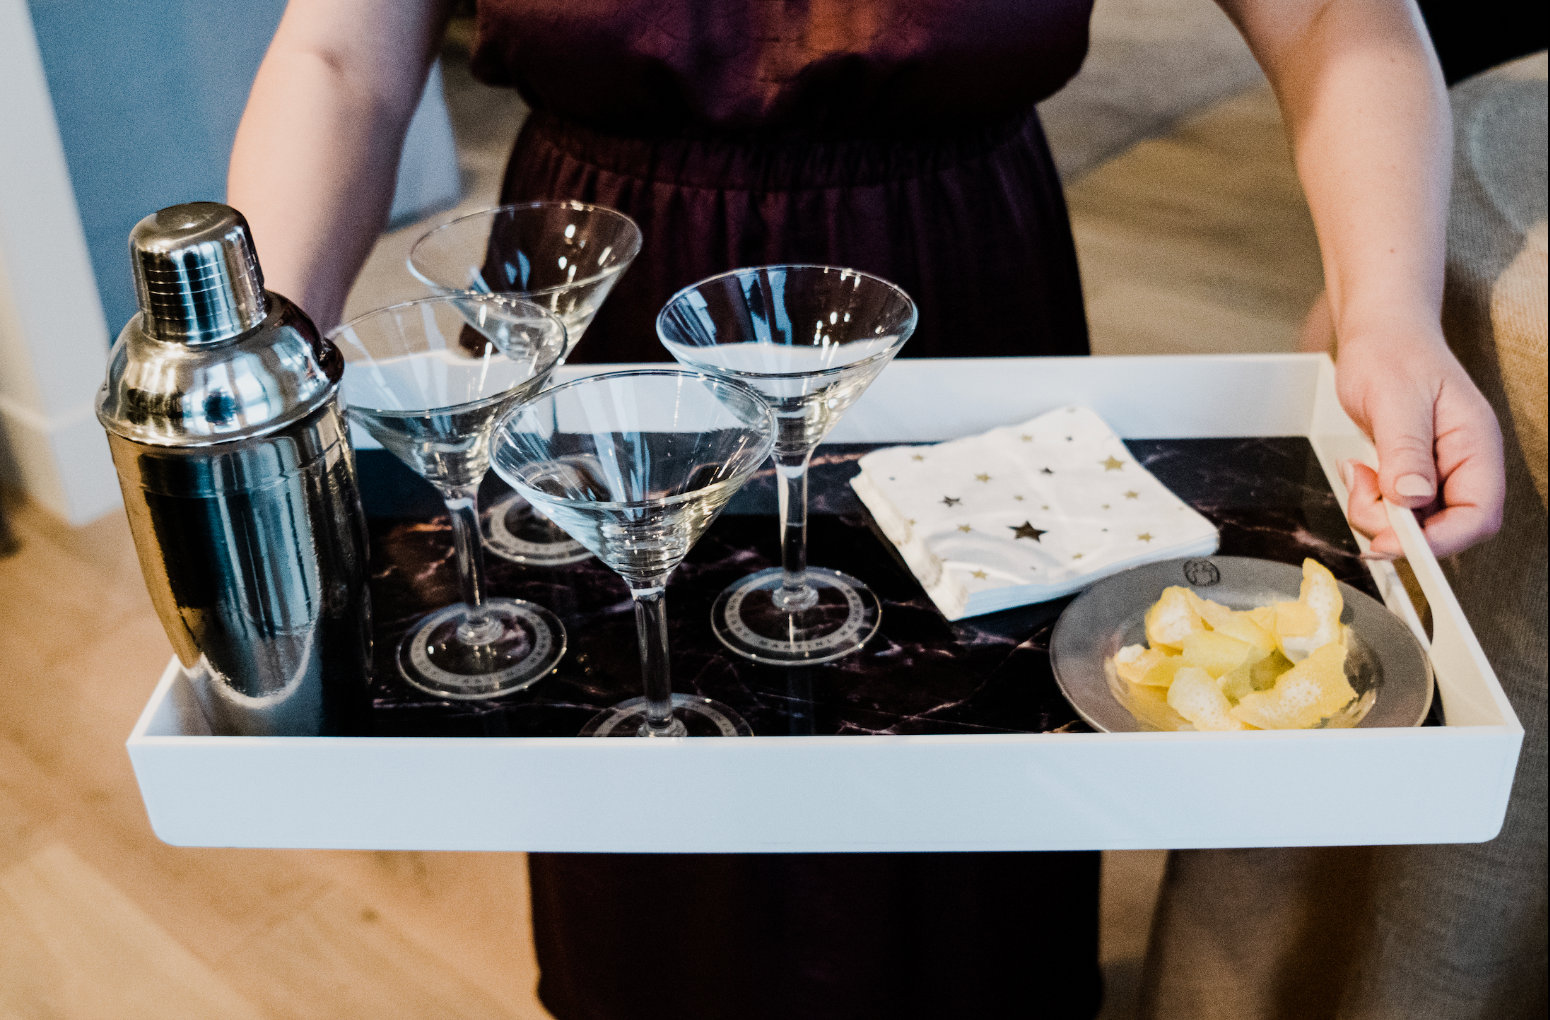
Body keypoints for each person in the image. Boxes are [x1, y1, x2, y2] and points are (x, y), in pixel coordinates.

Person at [228, 2, 1507, 1017]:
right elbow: (342, 51)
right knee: (653, 790)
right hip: (603, 319)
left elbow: (1334, 11)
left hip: (954, 287)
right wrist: (248, 378)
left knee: (964, 817)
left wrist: (1391, 316)